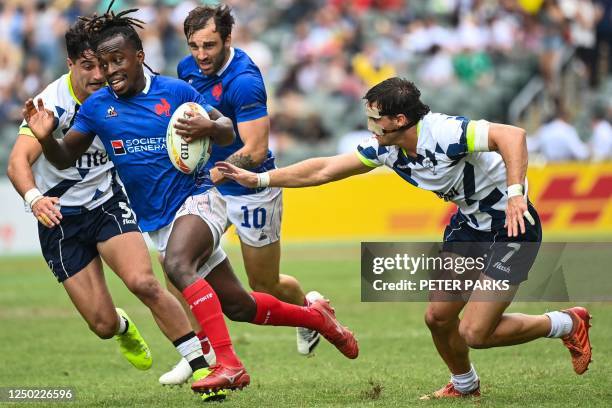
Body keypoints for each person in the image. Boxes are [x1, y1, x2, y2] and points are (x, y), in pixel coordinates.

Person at [23, 3, 358, 396]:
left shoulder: (175, 92)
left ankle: (228, 365)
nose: (111, 70)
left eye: (119, 60)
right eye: (104, 63)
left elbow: (229, 130)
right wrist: (46, 137)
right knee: (239, 305)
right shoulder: (98, 107)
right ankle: (319, 320)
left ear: (139, 57)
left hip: (200, 200)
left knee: (178, 266)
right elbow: (64, 156)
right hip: (160, 220)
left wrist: (209, 124)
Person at [217, 77, 593, 399]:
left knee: (475, 332)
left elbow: (513, 135)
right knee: (438, 318)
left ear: (399, 120)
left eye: (375, 119)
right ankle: (464, 386)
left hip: (513, 227)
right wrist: (259, 179)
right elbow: (325, 169)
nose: (370, 127)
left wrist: (515, 195)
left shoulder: (445, 133)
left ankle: (566, 323)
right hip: (470, 225)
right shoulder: (388, 148)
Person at [6, 19, 213, 389]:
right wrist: (35, 198)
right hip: (60, 218)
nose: (99, 75)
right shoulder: (52, 102)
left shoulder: (122, 91)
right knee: (101, 325)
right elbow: (18, 162)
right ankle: (121, 327)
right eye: (88, 66)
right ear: (69, 65)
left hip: (106, 204)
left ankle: (200, 364)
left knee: (143, 282)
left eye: (102, 65)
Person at [160, 4, 323, 385]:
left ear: (228, 39)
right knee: (176, 265)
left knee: (263, 284)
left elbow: (253, 148)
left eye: (210, 46)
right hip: (206, 187)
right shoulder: (188, 69)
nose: (201, 55)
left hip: (251, 189)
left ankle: (310, 310)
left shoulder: (244, 80)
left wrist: (216, 169)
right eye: (194, 46)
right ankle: (198, 351)